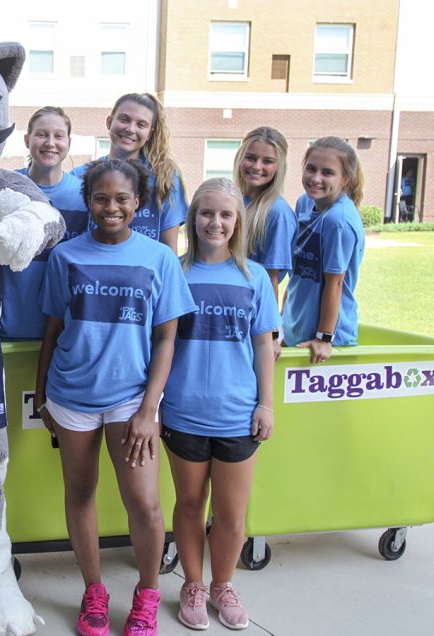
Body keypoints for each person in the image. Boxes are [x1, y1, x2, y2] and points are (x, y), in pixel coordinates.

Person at [35, 158, 195, 636]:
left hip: (131, 399)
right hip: (71, 395)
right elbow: (54, 328)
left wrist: (150, 409)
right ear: (88, 202)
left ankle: (147, 596)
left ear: (138, 203)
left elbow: (167, 337)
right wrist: (43, 393)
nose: (111, 207)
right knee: (80, 493)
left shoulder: (159, 258)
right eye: (101, 198)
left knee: (143, 504)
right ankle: (94, 593)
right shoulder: (66, 256)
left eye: (122, 198)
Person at [161, 178, 279, 631]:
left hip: (236, 414)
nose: (215, 222)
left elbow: (263, 345)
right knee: (189, 505)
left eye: (225, 215)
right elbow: (160, 343)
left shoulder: (253, 278)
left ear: (238, 222)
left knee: (231, 513)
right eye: (206, 213)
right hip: (183, 411)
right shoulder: (175, 271)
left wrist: (265, 405)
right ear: (193, 219)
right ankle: (193, 583)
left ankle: (223, 584)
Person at [2, 106, 88, 340]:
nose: (50, 142)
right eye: (42, 134)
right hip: (7, 329)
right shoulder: (5, 188)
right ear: (27, 139)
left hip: (63, 331)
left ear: (68, 142)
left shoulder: (84, 197)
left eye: (58, 136)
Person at [283, 137, 365, 363]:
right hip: (296, 327)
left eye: (328, 172)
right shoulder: (305, 203)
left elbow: (335, 282)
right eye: (311, 168)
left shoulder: (338, 221)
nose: (316, 178)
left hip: (325, 342)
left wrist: (324, 338)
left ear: (345, 179)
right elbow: (299, 269)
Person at [72, 93, 187, 252]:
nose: (130, 129)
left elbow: (169, 249)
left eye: (141, 124)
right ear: (109, 122)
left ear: (150, 133)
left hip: (145, 273)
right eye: (124, 120)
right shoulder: (78, 177)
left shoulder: (165, 177)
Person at [233, 126, 295, 359]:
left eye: (267, 161)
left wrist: (271, 335)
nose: (257, 166)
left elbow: (271, 279)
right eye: (250, 157)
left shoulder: (278, 213)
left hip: (254, 318)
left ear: (279, 167)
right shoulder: (233, 199)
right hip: (228, 307)